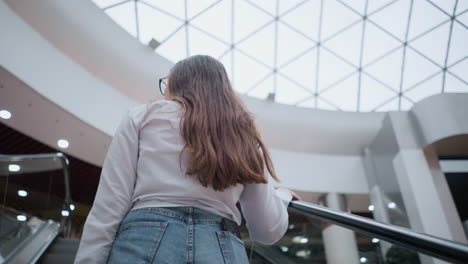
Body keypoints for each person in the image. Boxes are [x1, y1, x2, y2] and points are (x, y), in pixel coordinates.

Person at [74, 55, 300, 264]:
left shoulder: (143, 116)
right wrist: (281, 197)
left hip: (144, 238)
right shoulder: (241, 133)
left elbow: (109, 206)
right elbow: (266, 229)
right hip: (222, 246)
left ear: (174, 85)